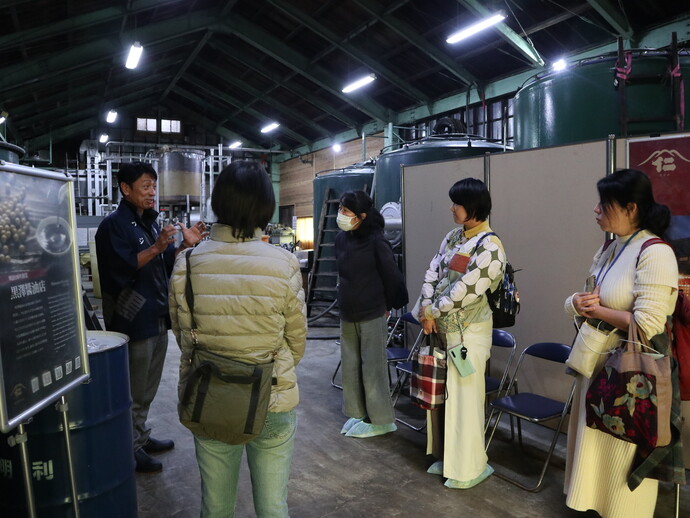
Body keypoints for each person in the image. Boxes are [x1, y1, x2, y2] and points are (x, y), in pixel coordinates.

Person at [169, 160, 307, 518]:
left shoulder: (187, 262)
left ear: (219, 202)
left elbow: (184, 335)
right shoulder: (284, 263)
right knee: (273, 506)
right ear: (266, 205)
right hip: (271, 395)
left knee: (215, 507)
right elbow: (297, 341)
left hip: (209, 392)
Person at [564, 168, 682, 518]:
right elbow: (589, 296)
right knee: (596, 447)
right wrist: (578, 302)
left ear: (631, 208)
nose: (596, 210)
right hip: (599, 364)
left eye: (605, 203)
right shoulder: (612, 247)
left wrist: (597, 309)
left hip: (632, 374)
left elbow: (648, 324)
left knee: (622, 445)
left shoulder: (655, 252)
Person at [95, 161, 207, 473]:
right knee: (134, 388)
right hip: (132, 317)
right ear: (125, 189)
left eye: (154, 186)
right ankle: (129, 449)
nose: (152, 192)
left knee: (148, 387)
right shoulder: (113, 225)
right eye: (145, 186)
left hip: (156, 313)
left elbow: (161, 266)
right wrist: (157, 248)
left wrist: (183, 245)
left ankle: (140, 437)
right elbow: (120, 269)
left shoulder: (151, 223)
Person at [418, 178, 506, 489]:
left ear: (474, 208)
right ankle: (448, 458)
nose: (452, 208)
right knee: (444, 396)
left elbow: (465, 291)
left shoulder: (490, 247)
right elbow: (433, 272)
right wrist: (425, 306)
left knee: (465, 398)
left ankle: (469, 466)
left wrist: (431, 311)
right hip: (442, 328)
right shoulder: (454, 237)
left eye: (457, 203)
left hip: (469, 333)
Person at [335, 190, 408, 438]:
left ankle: (381, 419)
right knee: (351, 366)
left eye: (346, 211)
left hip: (371, 312)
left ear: (362, 216)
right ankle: (358, 414)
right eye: (340, 209)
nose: (341, 215)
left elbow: (391, 275)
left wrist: (390, 303)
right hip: (347, 311)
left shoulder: (377, 240)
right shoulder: (341, 239)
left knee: (373, 368)